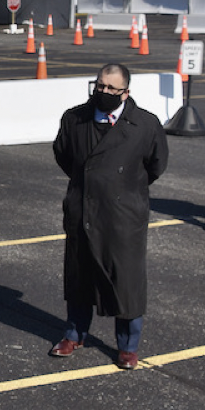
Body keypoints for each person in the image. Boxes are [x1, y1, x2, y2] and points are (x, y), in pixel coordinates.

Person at [49, 63, 169, 370]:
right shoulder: (74, 118)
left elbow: (156, 165)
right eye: (99, 86)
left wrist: (123, 189)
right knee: (79, 278)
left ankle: (127, 345)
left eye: (111, 89)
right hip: (83, 210)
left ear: (126, 92)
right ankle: (74, 333)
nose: (103, 92)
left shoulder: (145, 125)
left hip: (123, 216)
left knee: (126, 282)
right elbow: (64, 155)